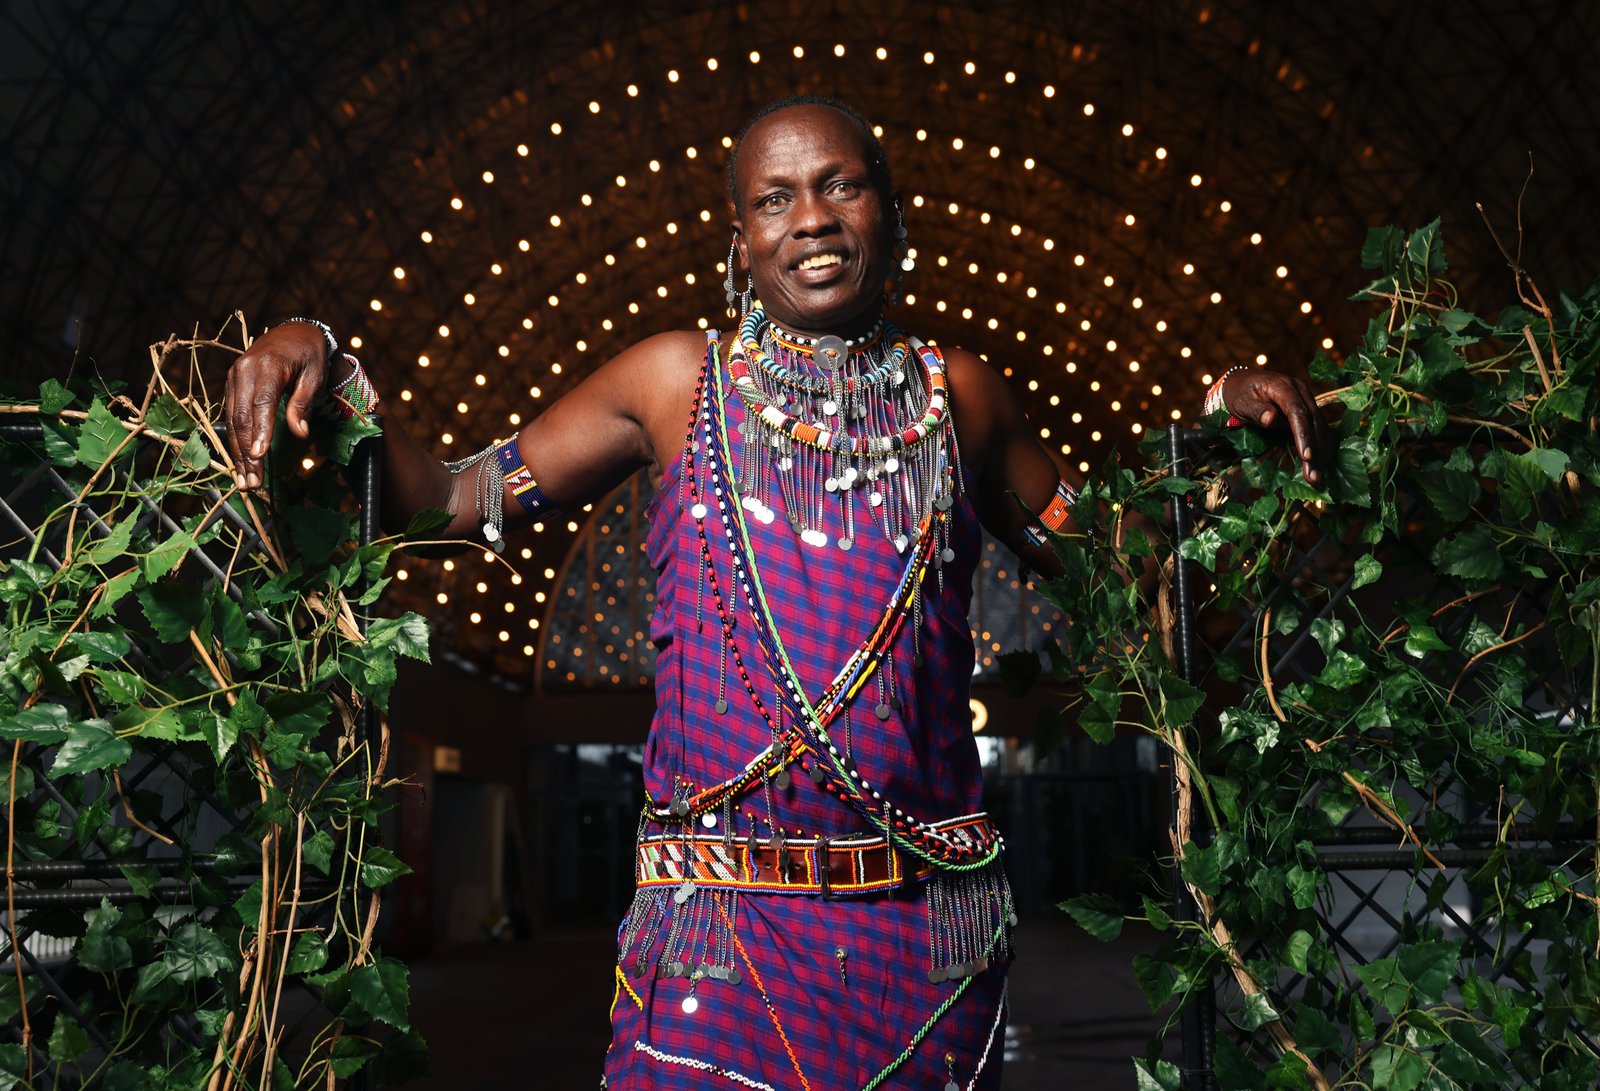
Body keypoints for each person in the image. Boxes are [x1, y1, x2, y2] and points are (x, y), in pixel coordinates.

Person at [226, 96, 1325, 1089]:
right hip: (720, 938)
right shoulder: (675, 380)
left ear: (892, 215)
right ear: (739, 241)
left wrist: (1218, 436)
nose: (812, 219)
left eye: (842, 186)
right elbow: (456, 498)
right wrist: (321, 355)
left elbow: (1127, 569)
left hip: (924, 942)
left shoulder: (960, 398)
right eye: (775, 198)